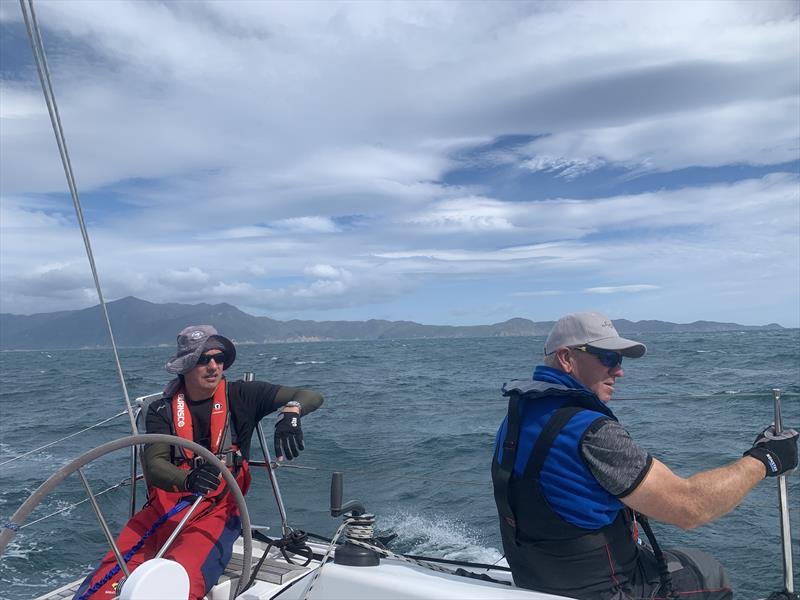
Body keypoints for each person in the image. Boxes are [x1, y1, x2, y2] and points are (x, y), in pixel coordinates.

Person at [491, 311, 798, 600]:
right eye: (608, 357)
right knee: (707, 571)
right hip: (605, 589)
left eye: (620, 359)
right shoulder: (591, 431)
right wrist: (765, 458)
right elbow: (691, 507)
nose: (619, 370)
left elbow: (557, 489)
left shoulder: (518, 419)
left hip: (540, 579)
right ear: (567, 358)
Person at [75, 325, 323, 600]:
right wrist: (188, 479)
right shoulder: (161, 409)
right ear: (186, 366)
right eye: (204, 359)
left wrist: (293, 411)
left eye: (219, 358)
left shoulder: (244, 396)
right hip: (162, 511)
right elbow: (155, 464)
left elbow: (310, 395)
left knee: (181, 581)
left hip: (218, 512)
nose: (214, 366)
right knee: (105, 582)